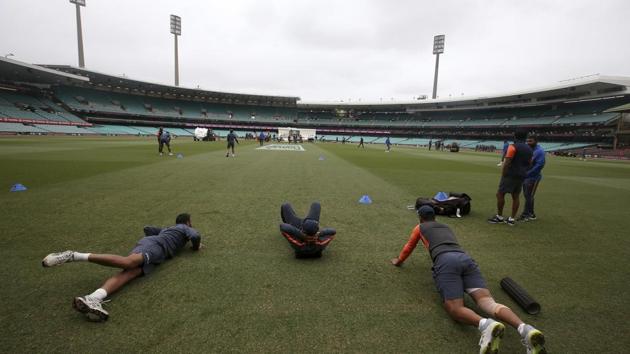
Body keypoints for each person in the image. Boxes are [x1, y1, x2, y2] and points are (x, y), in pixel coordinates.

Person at [391, 206, 546, 354]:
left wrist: (398, 261)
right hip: (465, 259)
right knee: (488, 302)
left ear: (420, 217)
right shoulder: (445, 227)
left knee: (455, 308)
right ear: (434, 216)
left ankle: (486, 325)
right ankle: (525, 329)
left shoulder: (420, 228)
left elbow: (408, 247)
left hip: (446, 261)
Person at [41, 213, 202, 322]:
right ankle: (74, 255)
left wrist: (160, 235)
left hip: (157, 252)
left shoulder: (169, 229)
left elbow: (147, 228)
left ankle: (93, 298)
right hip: (156, 247)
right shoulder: (184, 228)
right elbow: (195, 236)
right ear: (188, 222)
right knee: (129, 263)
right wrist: (196, 247)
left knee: (129, 273)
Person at [488, 131, 533, 226]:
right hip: (521, 175)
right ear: (525, 137)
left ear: (515, 137)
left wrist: (504, 173)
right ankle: (512, 219)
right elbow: (530, 163)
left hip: (510, 175)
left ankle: (499, 217)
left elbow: (507, 161)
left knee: (500, 194)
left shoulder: (512, 146)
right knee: (515, 196)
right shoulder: (529, 149)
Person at [519, 135, 545, 221]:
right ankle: (531, 214)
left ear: (536, 141)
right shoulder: (529, 149)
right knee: (527, 195)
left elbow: (539, 165)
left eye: (530, 141)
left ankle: (526, 214)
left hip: (533, 177)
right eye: (527, 141)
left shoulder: (539, 151)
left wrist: (528, 174)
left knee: (529, 196)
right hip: (526, 176)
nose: (528, 143)